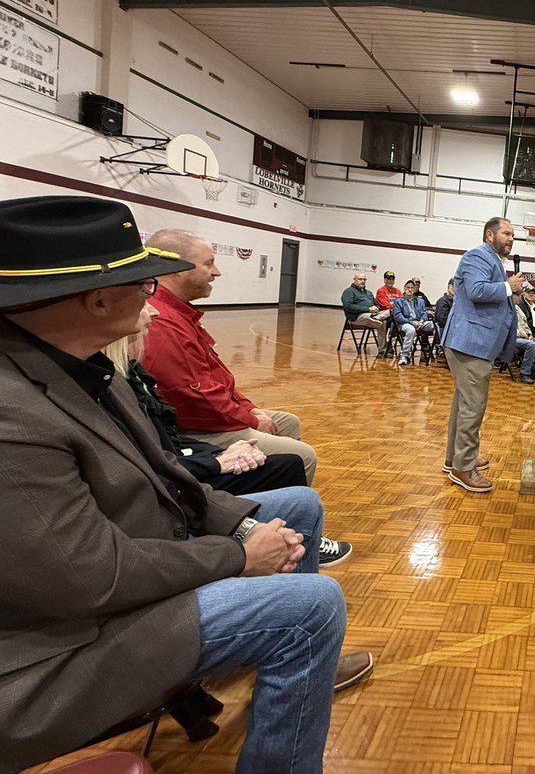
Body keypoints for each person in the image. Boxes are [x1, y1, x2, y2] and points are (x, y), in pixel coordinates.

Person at [0, 195, 372, 772]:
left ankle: (275, 658)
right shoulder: (13, 416)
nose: (152, 296)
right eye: (143, 282)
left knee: (297, 503)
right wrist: (238, 554)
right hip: (61, 647)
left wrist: (238, 525)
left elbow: (168, 477)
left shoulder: (88, 368)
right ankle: (288, 650)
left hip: (136, 560)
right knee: (312, 607)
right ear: (99, 298)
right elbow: (94, 579)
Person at [139, 231, 350, 564]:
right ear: (178, 268)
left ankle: (276, 514)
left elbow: (218, 378)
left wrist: (250, 409)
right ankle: (287, 537)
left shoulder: (180, 314)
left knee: (287, 422)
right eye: (208, 264)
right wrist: (250, 419)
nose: (217, 272)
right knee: (303, 455)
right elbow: (193, 396)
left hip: (212, 414)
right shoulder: (164, 322)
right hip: (198, 426)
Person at [108, 303, 308, 497]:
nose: (154, 310)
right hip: (175, 482)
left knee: (288, 434)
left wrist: (221, 448)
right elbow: (156, 459)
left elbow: (220, 377)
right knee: (297, 461)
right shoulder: (121, 382)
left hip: (182, 458)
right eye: (143, 301)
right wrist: (218, 459)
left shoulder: (133, 372)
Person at [441, 216, 522, 493]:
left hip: (474, 344)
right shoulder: (477, 255)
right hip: (470, 344)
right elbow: (476, 291)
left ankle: (455, 459)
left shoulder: (492, 260)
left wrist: (508, 291)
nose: (511, 239)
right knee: (473, 407)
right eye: (506, 233)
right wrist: (508, 287)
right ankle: (463, 469)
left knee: (464, 404)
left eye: (513, 235)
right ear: (490, 234)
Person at [391, 278, 436, 366]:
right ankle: (404, 356)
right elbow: (398, 317)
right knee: (411, 330)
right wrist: (412, 322)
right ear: (404, 288)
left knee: (435, 325)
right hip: (405, 323)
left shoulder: (420, 301)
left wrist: (421, 321)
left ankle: (439, 349)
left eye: (412, 288)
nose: (410, 289)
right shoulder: (398, 301)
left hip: (419, 323)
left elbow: (424, 313)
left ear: (415, 289)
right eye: (408, 287)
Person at [340, 271, 389, 346]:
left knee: (389, 312)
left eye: (364, 279)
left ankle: (382, 349)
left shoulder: (369, 293)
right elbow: (348, 307)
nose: (362, 281)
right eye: (360, 279)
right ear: (354, 280)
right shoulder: (348, 292)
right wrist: (368, 309)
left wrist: (376, 308)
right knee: (370, 317)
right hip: (358, 317)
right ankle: (374, 318)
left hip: (374, 314)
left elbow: (377, 304)